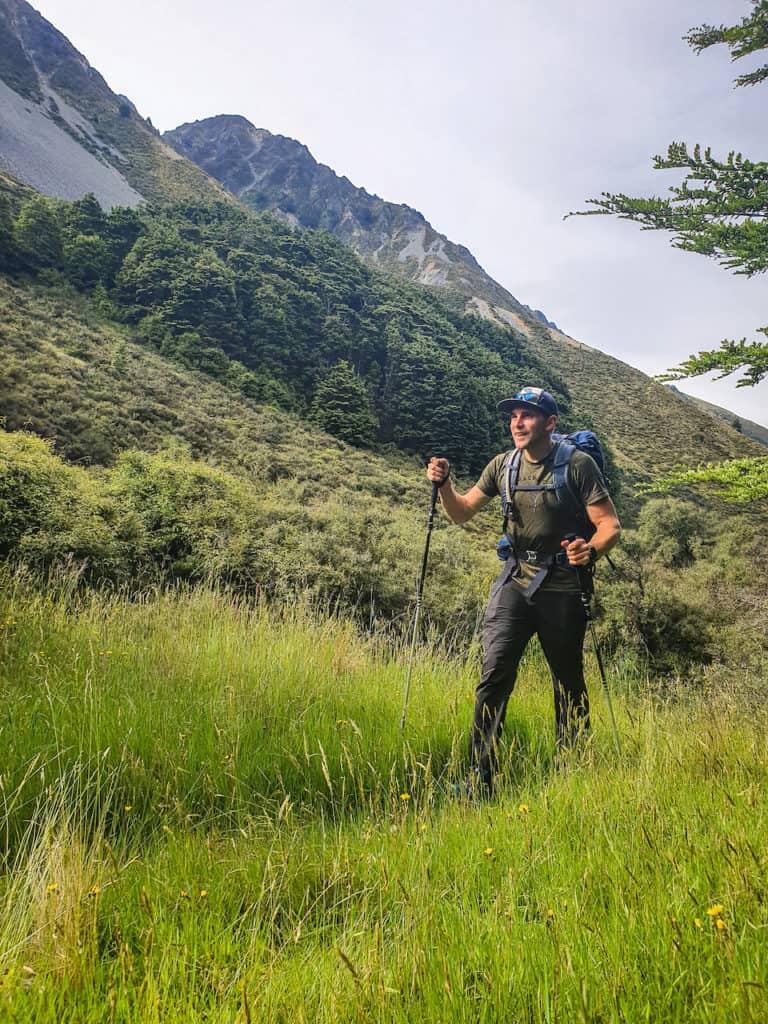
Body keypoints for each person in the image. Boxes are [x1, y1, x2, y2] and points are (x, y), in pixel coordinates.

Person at [426, 386, 620, 793]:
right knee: (494, 673)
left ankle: (575, 769)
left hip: (564, 583)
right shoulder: (503, 465)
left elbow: (609, 526)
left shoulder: (579, 465)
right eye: (513, 415)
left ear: (550, 423)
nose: (517, 421)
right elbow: (462, 512)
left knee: (567, 680)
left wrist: (591, 549)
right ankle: (481, 777)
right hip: (515, 580)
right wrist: (445, 485)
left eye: (527, 415)